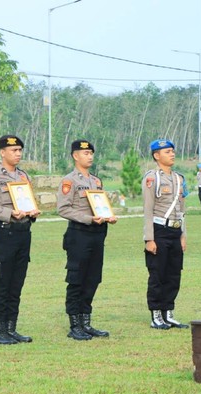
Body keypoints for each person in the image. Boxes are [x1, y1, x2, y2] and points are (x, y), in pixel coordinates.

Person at [0, 135, 40, 345]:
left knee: (16, 283)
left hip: (23, 233)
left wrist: (32, 212)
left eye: (20, 150)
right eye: (14, 150)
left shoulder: (23, 176)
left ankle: (12, 327)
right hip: (4, 233)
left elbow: (28, 200)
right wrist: (8, 213)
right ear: (2, 152)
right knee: (2, 283)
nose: (18, 154)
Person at [57, 139, 117, 341]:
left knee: (92, 278)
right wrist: (89, 219)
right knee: (77, 279)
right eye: (85, 153)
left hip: (97, 233)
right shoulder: (69, 181)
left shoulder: (96, 181)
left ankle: (86, 322)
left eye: (91, 153)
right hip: (79, 234)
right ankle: (75, 324)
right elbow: (63, 208)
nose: (90, 156)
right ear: (75, 155)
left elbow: (100, 205)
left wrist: (108, 216)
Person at [143, 139, 188, 330]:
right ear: (156, 155)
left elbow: (182, 209)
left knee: (173, 274)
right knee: (158, 274)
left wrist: (183, 235)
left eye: (172, 151)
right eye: (167, 151)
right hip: (159, 230)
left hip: (175, 230)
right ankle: (156, 315)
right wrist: (149, 238)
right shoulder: (152, 178)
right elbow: (148, 209)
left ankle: (168, 312)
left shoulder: (179, 178)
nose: (172, 154)